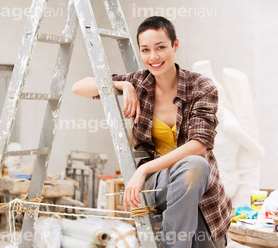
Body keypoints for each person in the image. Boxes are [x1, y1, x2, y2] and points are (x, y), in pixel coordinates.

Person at [72, 16, 231, 248]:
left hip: (196, 184)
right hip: (157, 184)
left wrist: (143, 168)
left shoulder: (200, 86)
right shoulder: (138, 83)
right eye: (145, 50)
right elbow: (79, 86)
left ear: (175, 45)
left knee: (196, 166)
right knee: (194, 168)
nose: (153, 57)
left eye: (161, 47)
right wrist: (121, 85)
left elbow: (199, 146)